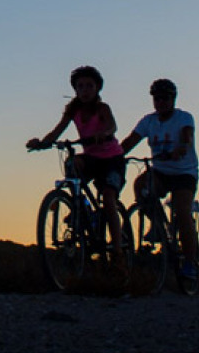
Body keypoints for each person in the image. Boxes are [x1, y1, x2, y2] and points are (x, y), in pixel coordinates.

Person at [27, 66, 127, 262]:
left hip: (112, 160)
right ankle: (78, 208)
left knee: (108, 199)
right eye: (80, 86)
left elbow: (112, 126)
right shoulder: (73, 110)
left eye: (89, 86)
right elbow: (57, 132)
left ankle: (117, 252)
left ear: (97, 88)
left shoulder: (102, 108)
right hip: (91, 158)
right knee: (73, 163)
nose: (85, 90)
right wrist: (41, 143)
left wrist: (104, 134)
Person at [119, 78, 199, 280]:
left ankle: (190, 263)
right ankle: (156, 225)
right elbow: (131, 140)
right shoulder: (148, 121)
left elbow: (187, 137)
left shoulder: (184, 118)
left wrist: (181, 148)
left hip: (184, 173)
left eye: (165, 98)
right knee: (140, 186)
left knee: (182, 213)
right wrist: (114, 155)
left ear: (173, 99)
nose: (160, 102)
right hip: (161, 171)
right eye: (157, 98)